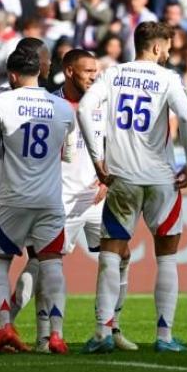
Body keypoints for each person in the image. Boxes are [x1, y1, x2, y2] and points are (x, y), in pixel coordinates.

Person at [78, 21, 187, 353]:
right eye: (168, 48)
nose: (170, 53)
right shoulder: (168, 78)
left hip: (122, 177)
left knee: (110, 254)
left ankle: (102, 333)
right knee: (168, 256)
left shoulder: (114, 74)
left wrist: (97, 159)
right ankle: (164, 336)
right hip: (162, 179)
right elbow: (186, 119)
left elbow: (86, 109)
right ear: (157, 48)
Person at [0, 48, 75, 355]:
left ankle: (5, 326)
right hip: (49, 199)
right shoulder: (62, 107)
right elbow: (69, 155)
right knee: (52, 264)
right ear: (40, 70)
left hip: (12, 198)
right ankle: (56, 334)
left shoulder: (3, 101)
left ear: (12, 75)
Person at [52, 49, 137, 351]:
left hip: (98, 196)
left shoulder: (103, 100)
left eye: (96, 71)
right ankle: (50, 335)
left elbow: (113, 141)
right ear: (69, 71)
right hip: (61, 198)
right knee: (47, 264)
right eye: (87, 71)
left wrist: (107, 178)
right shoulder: (53, 104)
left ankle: (110, 327)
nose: (93, 76)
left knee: (120, 255)